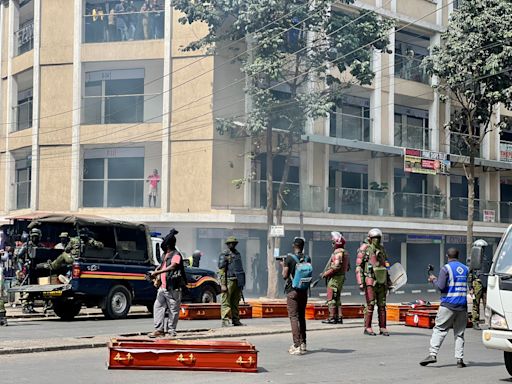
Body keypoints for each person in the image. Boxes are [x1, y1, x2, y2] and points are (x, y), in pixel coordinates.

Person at [420, 248, 469, 368]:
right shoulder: (466, 269)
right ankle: (459, 359)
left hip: (448, 305)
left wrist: (434, 280)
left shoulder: (445, 268)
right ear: (458, 255)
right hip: (462, 306)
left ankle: (433, 354)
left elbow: (441, 287)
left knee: (439, 329)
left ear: (447, 256)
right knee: (459, 333)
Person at [149, 228, 186, 338]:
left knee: (173, 310)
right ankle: (159, 330)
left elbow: (173, 266)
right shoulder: (165, 255)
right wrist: (156, 275)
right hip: (163, 288)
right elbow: (162, 266)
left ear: (168, 245)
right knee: (158, 307)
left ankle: (171, 330)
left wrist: (158, 272)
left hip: (173, 287)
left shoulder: (176, 255)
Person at [356, 228, 392, 336]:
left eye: (378, 238)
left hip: (382, 281)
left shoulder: (382, 249)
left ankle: (383, 327)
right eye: (374, 238)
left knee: (382, 305)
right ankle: (367, 327)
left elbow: (386, 265)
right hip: (370, 280)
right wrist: (360, 282)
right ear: (370, 239)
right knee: (370, 305)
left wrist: (389, 281)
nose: (377, 240)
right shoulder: (365, 248)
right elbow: (359, 267)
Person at [37, 228, 103, 283]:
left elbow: (67, 250)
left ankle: (52, 266)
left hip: (74, 259)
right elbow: (100, 245)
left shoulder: (74, 240)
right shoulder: (90, 241)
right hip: (84, 260)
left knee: (63, 255)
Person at [281, 237, 311, 355]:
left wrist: (283, 265)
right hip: (304, 291)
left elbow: (285, 275)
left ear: (294, 246)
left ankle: (296, 344)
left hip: (292, 291)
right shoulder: (307, 258)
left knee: (293, 317)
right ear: (303, 246)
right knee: (302, 317)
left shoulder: (289, 258)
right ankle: (303, 343)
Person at [321, 232, 348, 324]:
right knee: (337, 298)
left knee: (331, 297)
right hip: (341, 277)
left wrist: (326, 274)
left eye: (333, 242)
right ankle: (339, 317)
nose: (332, 244)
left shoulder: (338, 253)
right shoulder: (345, 252)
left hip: (335, 278)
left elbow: (336, 267)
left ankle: (332, 317)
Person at [218, 236, 245, 327]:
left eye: (233, 243)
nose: (232, 245)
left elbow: (240, 268)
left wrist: (241, 283)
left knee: (235, 302)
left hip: (237, 281)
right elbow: (221, 270)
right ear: (227, 244)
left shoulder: (237, 254)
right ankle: (225, 320)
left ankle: (236, 319)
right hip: (228, 280)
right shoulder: (224, 254)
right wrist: (223, 284)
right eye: (230, 243)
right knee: (226, 301)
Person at [469, 239, 489, 330]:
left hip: (486, 283)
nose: (483, 249)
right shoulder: (472, 259)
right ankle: (475, 322)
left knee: (487, 304)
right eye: (482, 248)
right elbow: (470, 273)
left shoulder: (486, 258)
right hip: (477, 282)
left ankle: (489, 322)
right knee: (475, 304)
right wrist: (470, 287)